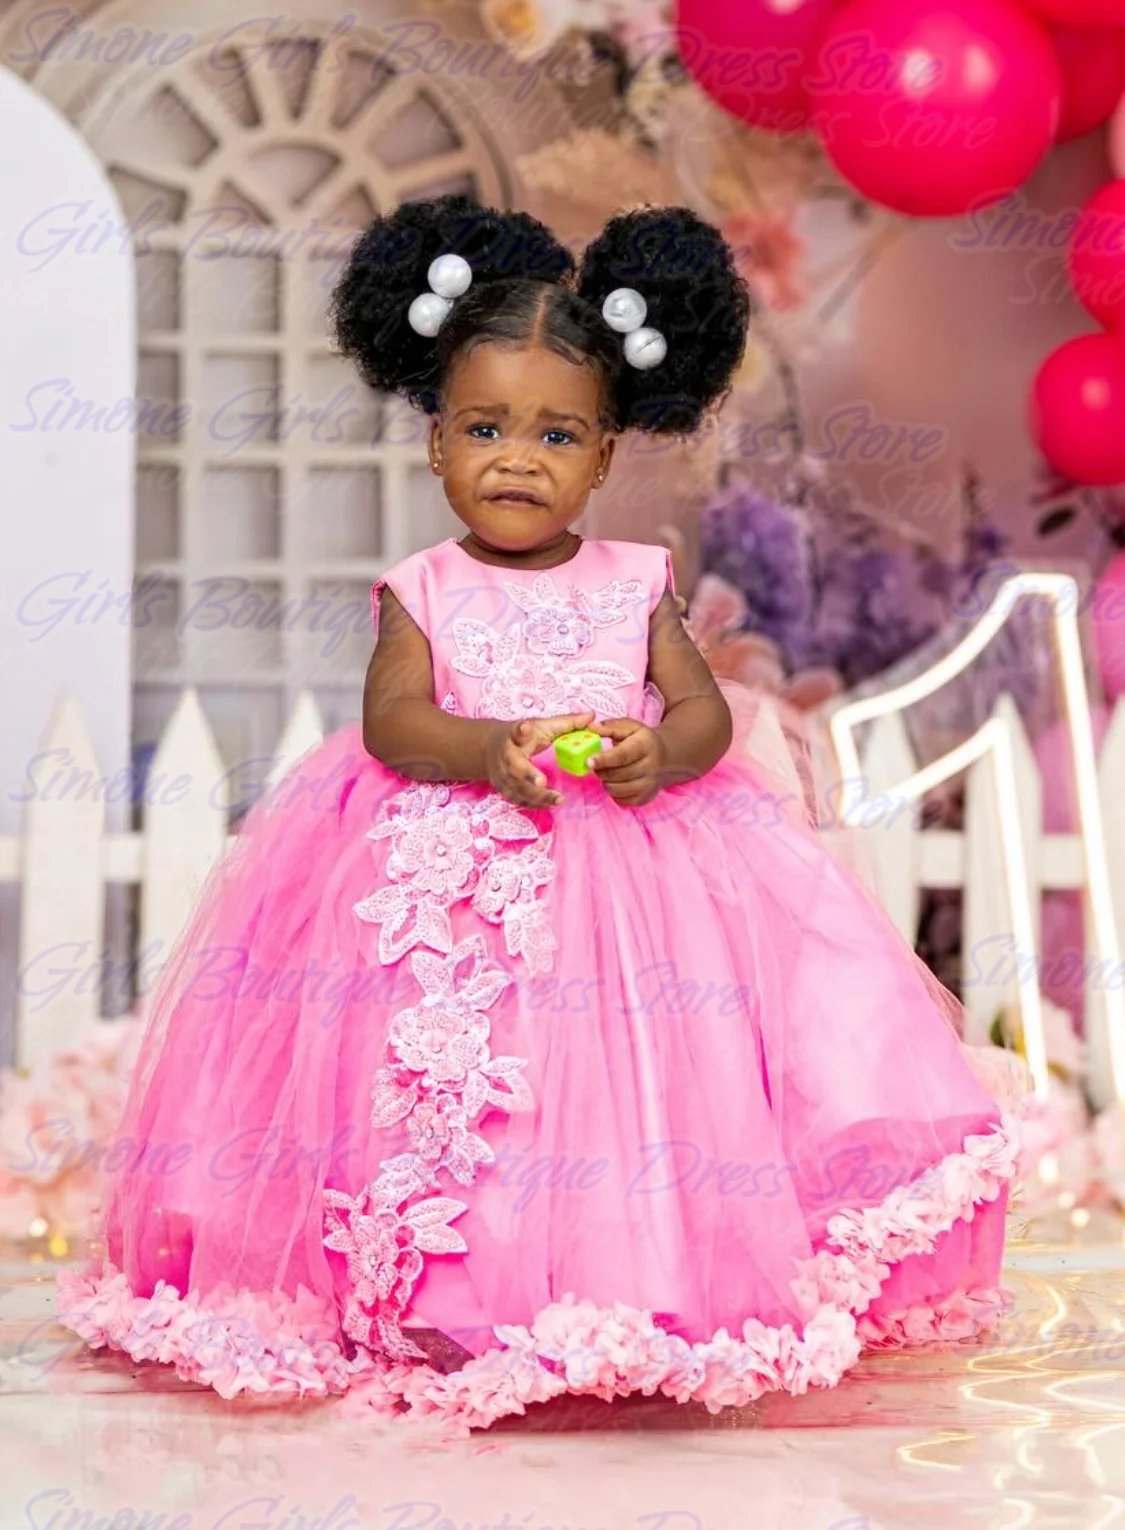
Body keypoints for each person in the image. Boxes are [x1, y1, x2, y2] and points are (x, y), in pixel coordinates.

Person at [58, 195, 1019, 1431]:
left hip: (628, 879)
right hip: (440, 873)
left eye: (557, 433)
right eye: (485, 427)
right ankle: (440, 1295)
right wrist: (483, 748)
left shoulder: (636, 583)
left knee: (629, 1084)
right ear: (435, 441)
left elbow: (705, 714)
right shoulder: (423, 589)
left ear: (607, 455)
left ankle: (620, 1285)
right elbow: (396, 721)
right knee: (446, 1085)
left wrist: (654, 749)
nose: (518, 456)